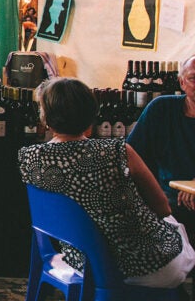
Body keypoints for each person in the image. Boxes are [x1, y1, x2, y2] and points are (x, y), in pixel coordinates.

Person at [21, 77, 195, 288]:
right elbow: (163, 208)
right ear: (91, 117)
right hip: (149, 267)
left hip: (85, 265)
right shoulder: (117, 151)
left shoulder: (30, 158)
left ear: (45, 117)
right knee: (174, 230)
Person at [128, 56, 195, 241]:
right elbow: (131, 154)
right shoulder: (161, 109)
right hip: (165, 204)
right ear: (182, 82)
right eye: (193, 78)